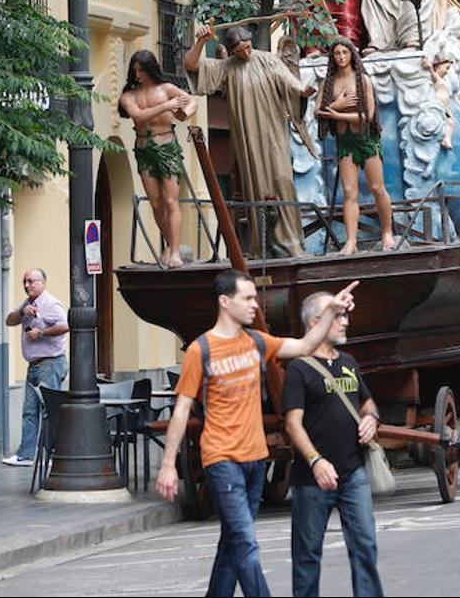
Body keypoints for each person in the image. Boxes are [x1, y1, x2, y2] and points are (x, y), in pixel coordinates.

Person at [155, 270, 358, 598]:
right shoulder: (200, 350)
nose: (255, 305)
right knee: (246, 544)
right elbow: (181, 410)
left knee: (233, 542)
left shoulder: (257, 342)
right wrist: (167, 465)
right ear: (225, 302)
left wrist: (333, 310)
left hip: (255, 460)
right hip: (222, 460)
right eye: (247, 298)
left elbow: (306, 344)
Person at [283, 291, 384, 597]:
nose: (345, 322)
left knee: (365, 545)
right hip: (313, 477)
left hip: (353, 471)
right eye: (338, 316)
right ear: (317, 321)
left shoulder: (349, 362)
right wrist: (315, 461)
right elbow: (292, 424)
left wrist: (371, 420)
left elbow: (368, 404)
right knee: (308, 555)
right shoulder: (298, 368)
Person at [186, 25, 315, 258]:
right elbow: (192, 66)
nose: (246, 53)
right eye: (240, 51)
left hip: (273, 131)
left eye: (247, 47)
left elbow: (289, 81)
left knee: (282, 179)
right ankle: (263, 245)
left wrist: (302, 91)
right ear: (232, 51)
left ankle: (292, 242)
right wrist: (202, 42)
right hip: (247, 136)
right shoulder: (227, 68)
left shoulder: (269, 61)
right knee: (256, 184)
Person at [119, 50, 197, 268]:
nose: (138, 75)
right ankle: (171, 244)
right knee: (155, 203)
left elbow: (191, 102)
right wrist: (167, 106)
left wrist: (184, 113)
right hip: (144, 149)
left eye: (141, 70)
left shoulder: (167, 89)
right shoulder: (129, 95)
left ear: (150, 69)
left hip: (167, 147)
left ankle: (174, 252)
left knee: (171, 200)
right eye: (135, 71)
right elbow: (138, 116)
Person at [317, 38, 395, 254]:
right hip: (345, 143)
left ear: (352, 54)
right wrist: (338, 106)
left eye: (344, 52)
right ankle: (351, 241)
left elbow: (368, 116)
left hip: (366, 140)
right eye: (336, 54)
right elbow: (319, 111)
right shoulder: (328, 83)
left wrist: (336, 114)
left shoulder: (363, 80)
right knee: (350, 191)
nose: (341, 57)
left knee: (377, 188)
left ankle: (387, 232)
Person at [3, 269, 68, 467]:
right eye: (24, 281)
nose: (27, 285)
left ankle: (54, 453)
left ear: (42, 283)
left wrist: (41, 333)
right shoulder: (27, 304)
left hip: (50, 363)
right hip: (34, 365)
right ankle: (26, 455)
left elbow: (66, 325)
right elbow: (9, 321)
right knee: (30, 410)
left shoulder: (50, 303)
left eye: (31, 281)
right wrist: (22, 312)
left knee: (49, 410)